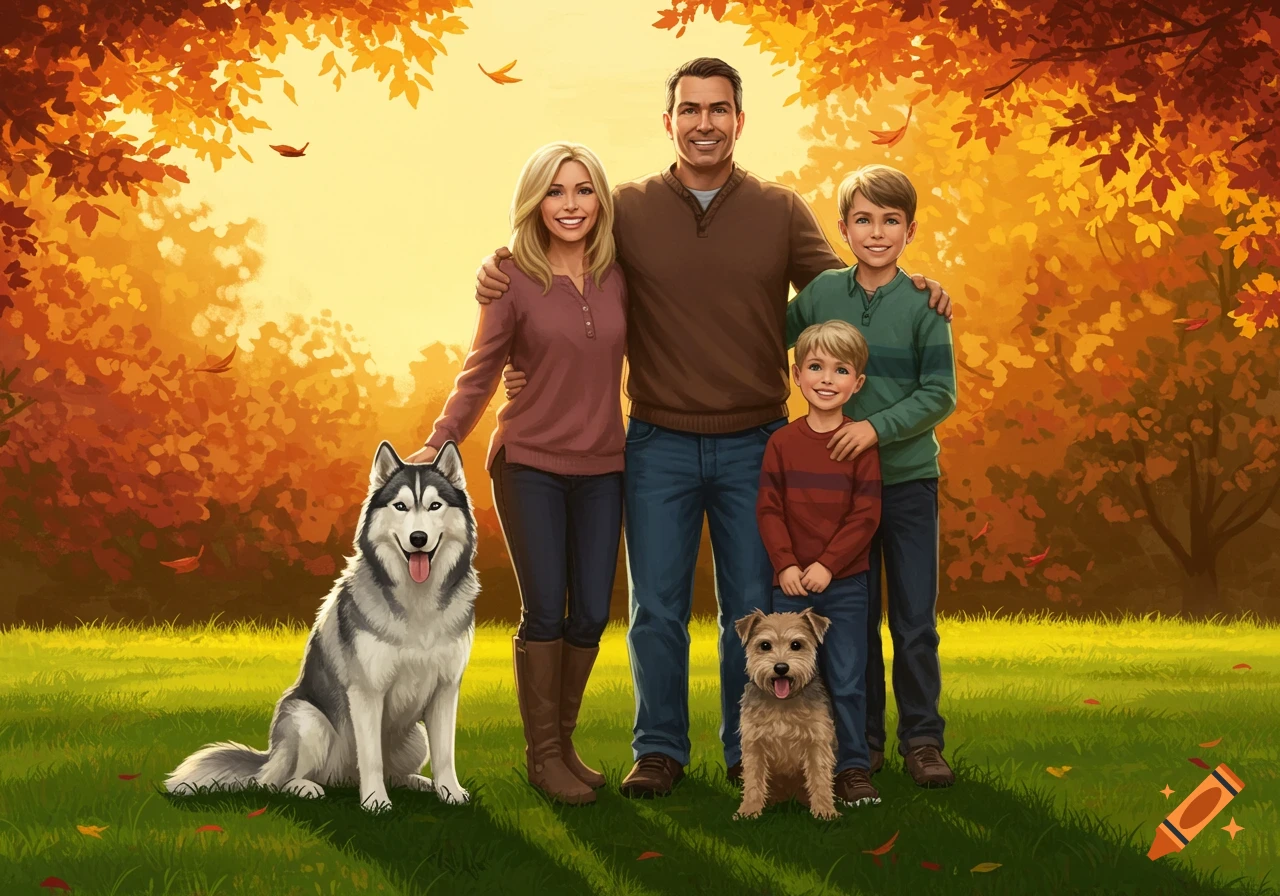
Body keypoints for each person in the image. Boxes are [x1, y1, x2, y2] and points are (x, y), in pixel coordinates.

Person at [473, 58, 954, 798]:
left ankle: (745, 749)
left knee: (752, 609)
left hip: (756, 444)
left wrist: (914, 287)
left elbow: (841, 297)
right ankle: (659, 749)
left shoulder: (779, 210)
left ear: (738, 120)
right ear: (668, 122)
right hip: (658, 440)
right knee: (655, 609)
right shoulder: (628, 208)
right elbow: (564, 255)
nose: (705, 122)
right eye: (690, 109)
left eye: (719, 109)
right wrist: (495, 266)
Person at [406, 142, 626, 806]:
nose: (571, 204)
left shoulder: (620, 271)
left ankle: (564, 742)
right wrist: (440, 439)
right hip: (529, 461)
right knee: (547, 607)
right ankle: (544, 759)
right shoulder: (511, 277)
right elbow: (481, 369)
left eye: (583, 190)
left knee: (590, 611)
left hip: (606, 464)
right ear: (535, 201)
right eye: (556, 191)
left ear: (600, 200)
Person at [785, 164, 958, 787]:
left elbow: (940, 393)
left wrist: (874, 429)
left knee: (913, 621)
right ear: (844, 227)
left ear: (909, 230)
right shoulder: (820, 297)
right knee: (852, 621)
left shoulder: (924, 305)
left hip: (907, 483)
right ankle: (862, 743)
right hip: (835, 491)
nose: (876, 232)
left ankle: (923, 740)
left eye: (890, 221)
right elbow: (756, 337)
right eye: (864, 219)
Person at [756, 319, 883, 807]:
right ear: (796, 374)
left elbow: (866, 514)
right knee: (785, 681)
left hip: (845, 584)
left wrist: (829, 564)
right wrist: (786, 565)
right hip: (788, 590)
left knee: (847, 679)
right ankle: (785, 772)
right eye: (815, 367)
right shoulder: (782, 444)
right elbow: (768, 509)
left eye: (840, 369)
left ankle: (852, 769)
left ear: (857, 383)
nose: (827, 379)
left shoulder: (860, 444)